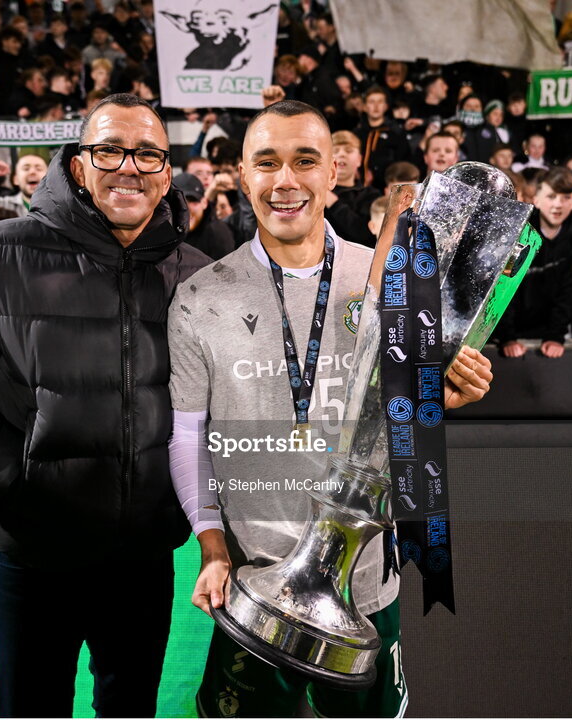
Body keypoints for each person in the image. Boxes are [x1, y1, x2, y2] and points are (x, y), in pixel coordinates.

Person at [0, 93, 210, 718]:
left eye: (148, 153)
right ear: (78, 163)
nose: (129, 167)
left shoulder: (194, 271)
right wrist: (8, 482)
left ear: (167, 170)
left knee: (130, 708)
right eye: (110, 149)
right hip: (35, 552)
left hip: (142, 558)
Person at [167, 99, 493, 718]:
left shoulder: (390, 281)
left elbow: (401, 417)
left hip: (365, 578)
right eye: (267, 163)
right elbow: (187, 439)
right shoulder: (199, 298)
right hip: (255, 582)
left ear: (334, 173)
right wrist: (212, 548)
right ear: (242, 175)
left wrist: (441, 397)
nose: (285, 181)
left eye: (304, 161)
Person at [496, 168, 572, 359]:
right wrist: (507, 337)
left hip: (546, 332)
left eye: (565, 197)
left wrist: (555, 336)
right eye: (551, 196)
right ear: (536, 200)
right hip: (511, 333)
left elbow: (568, 290)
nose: (558, 204)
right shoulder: (520, 233)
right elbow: (503, 289)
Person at [173, 172, 235, 260]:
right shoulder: (161, 231)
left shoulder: (218, 233)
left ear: (204, 203)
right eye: (179, 201)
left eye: (193, 200)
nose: (186, 208)